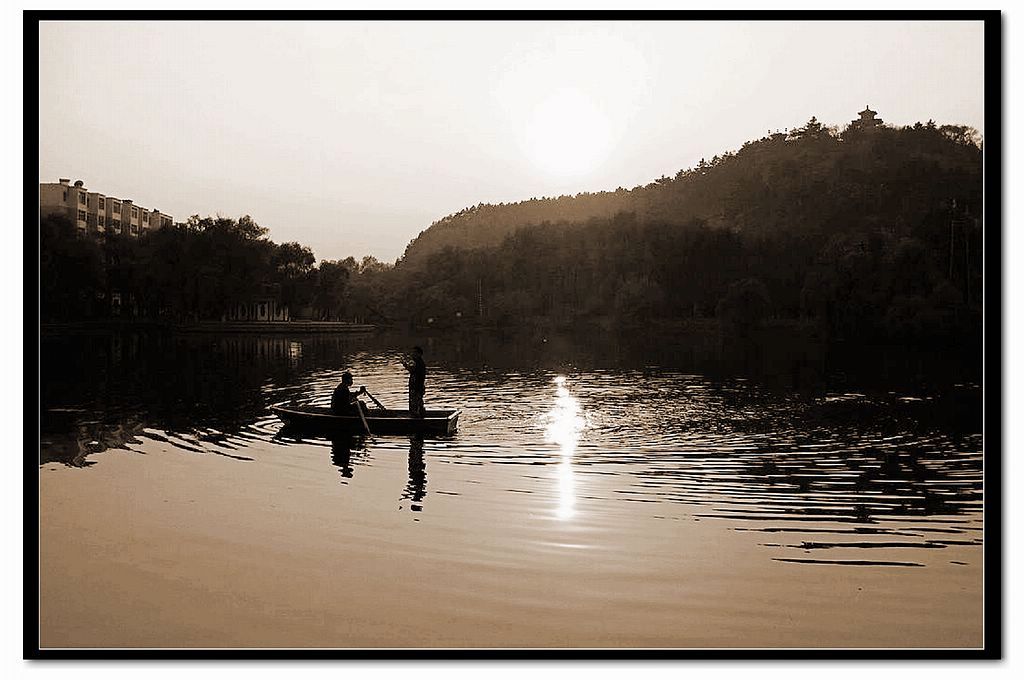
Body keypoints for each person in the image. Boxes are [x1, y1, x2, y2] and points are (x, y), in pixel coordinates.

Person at [401, 346, 426, 418]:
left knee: (414, 405)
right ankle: (420, 416)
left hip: (416, 387)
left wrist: (404, 364)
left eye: (414, 352)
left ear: (419, 354)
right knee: (418, 403)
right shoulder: (418, 362)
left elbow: (412, 370)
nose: (412, 354)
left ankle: (416, 419)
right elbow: (412, 370)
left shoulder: (418, 363)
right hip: (417, 387)